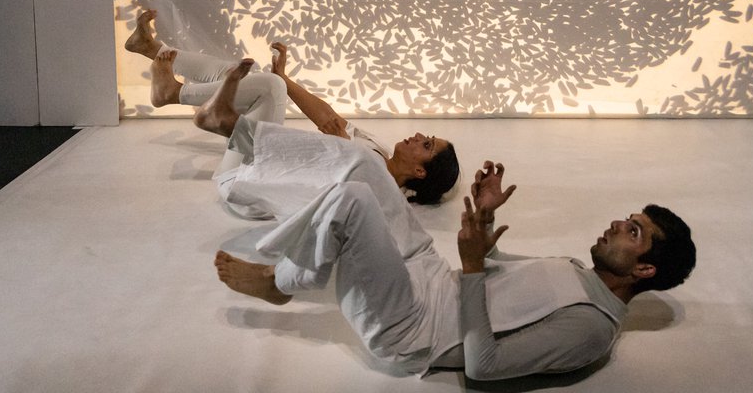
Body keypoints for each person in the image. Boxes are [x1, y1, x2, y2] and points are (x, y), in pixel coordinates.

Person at [214, 160, 696, 381]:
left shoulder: (592, 328)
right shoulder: (576, 268)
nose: (618, 224)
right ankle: (251, 172)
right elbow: (492, 265)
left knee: (353, 200)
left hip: (411, 327)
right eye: (628, 219)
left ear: (645, 269)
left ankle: (280, 282)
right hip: (430, 276)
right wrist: (483, 220)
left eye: (634, 231)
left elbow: (485, 366)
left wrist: (469, 266)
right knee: (366, 169)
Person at [124, 9, 459, 204]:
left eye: (427, 145)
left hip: (245, 182)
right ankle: (151, 48)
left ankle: (174, 94)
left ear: (420, 172)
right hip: (256, 160)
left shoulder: (380, 190)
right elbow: (328, 117)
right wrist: (286, 77)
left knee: (267, 87)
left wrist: (343, 151)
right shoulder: (379, 151)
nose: (419, 136)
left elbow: (331, 205)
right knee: (249, 78)